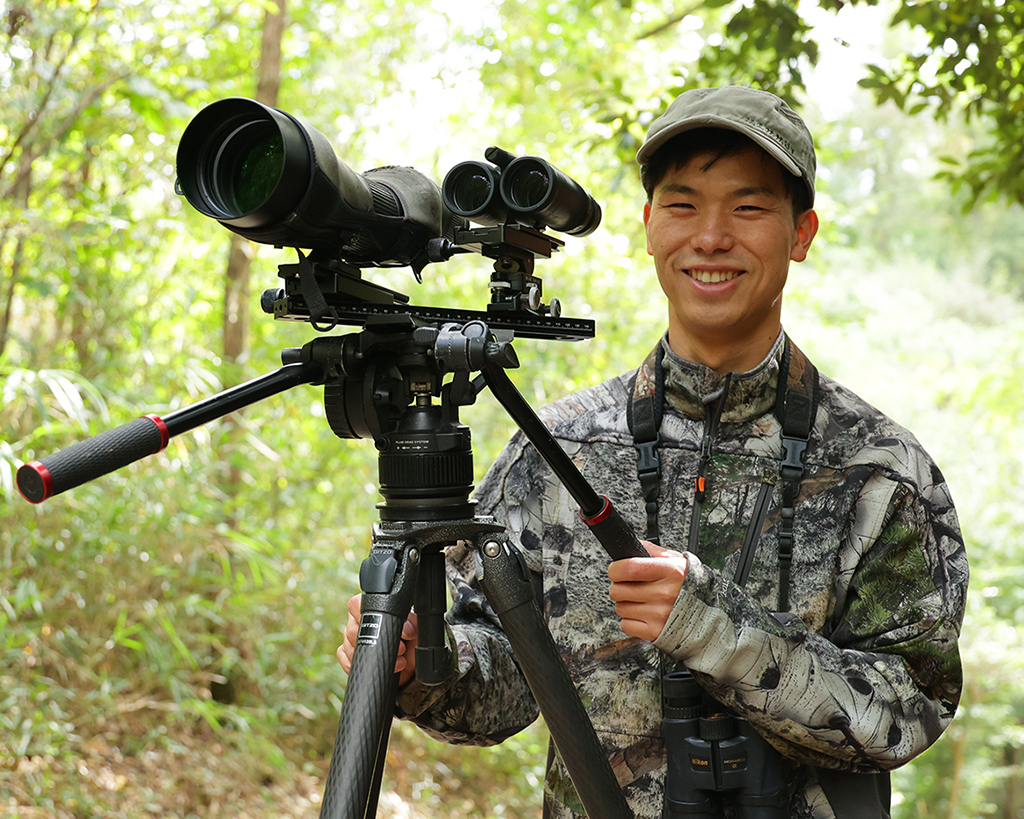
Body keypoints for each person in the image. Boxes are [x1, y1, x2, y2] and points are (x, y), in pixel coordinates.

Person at [338, 86, 968, 818]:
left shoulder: (879, 470)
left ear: (802, 232)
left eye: (748, 206)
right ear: (647, 226)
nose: (710, 236)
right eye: (683, 204)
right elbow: (504, 682)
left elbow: (911, 709)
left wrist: (719, 629)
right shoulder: (560, 448)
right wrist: (424, 669)